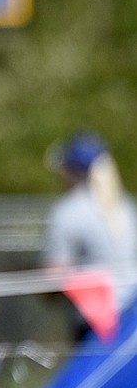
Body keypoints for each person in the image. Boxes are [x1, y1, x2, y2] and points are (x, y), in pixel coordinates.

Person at [43, 130, 137, 325]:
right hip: (131, 320)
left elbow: (54, 278)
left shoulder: (68, 212)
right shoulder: (128, 207)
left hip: (94, 323)